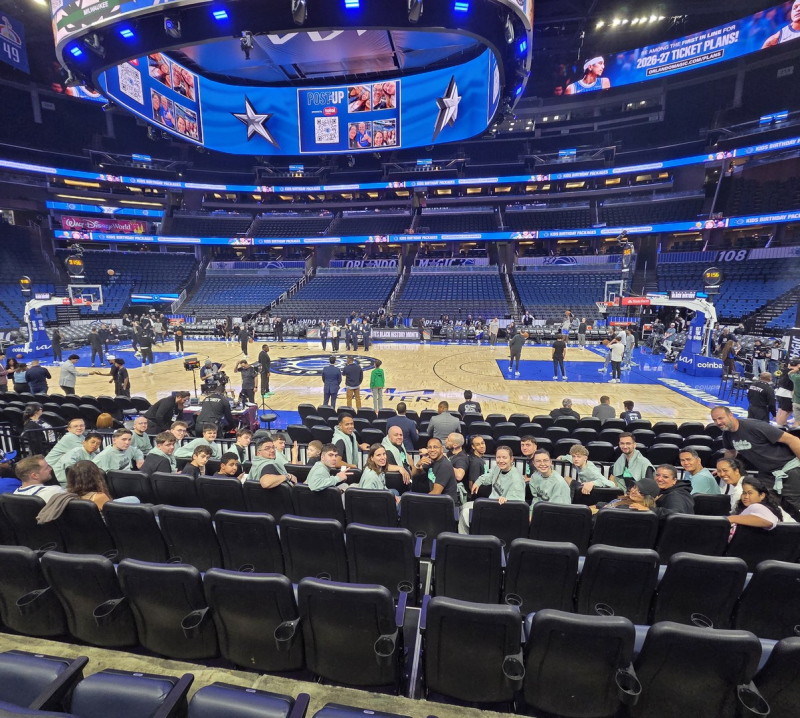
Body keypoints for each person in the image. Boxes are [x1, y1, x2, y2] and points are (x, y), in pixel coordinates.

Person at [712, 405, 800, 519]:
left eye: (720, 418)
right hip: (766, 474)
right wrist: (722, 468)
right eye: (715, 420)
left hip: (789, 470)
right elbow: (730, 452)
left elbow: (793, 440)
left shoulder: (755, 426)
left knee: (794, 508)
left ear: (730, 415)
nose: (718, 422)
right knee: (764, 506)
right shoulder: (727, 435)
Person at [458, 445, 525, 533]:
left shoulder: (516, 479)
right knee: (463, 506)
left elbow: (517, 504)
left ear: (511, 459)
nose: (501, 461)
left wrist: (507, 500)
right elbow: (489, 476)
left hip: (502, 510)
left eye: (504, 458)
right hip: (491, 504)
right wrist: (478, 482)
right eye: (498, 457)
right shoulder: (498, 468)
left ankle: (465, 538)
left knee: (465, 512)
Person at [411, 438, 459, 503]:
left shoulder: (444, 465)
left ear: (441, 449)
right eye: (429, 447)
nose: (432, 450)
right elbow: (413, 474)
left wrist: (417, 501)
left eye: (435, 447)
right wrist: (418, 464)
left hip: (445, 504)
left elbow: (436, 493)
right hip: (435, 500)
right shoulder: (431, 461)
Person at [45, 418, 86, 484]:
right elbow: (87, 450)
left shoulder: (81, 436)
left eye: (81, 425)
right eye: (75, 426)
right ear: (69, 429)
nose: (79, 428)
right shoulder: (69, 437)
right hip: (50, 469)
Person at [445, 433, 470, 502]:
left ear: (455, 445)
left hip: (455, 495)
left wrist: (446, 462)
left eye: (448, 440)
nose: (445, 441)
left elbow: (459, 476)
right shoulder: (451, 453)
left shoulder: (461, 459)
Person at [776, 357, 798, 427]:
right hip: (787, 394)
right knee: (785, 412)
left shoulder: (784, 370)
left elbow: (777, 374)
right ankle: (781, 426)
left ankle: (780, 424)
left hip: (780, 392)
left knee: (780, 410)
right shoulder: (793, 373)